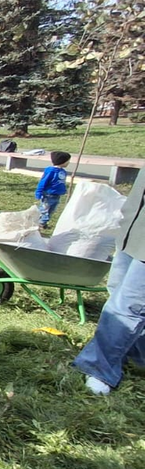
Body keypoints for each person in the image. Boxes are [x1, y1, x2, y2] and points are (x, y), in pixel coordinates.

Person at [72, 169, 145, 395]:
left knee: (128, 306)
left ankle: (99, 368)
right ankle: (136, 357)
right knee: (117, 291)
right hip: (133, 231)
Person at [35, 151, 70, 229]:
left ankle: (43, 223)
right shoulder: (51, 171)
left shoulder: (63, 171)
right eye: (67, 161)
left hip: (57, 195)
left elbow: (61, 183)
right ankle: (39, 224)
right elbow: (43, 181)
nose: (69, 162)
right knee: (44, 210)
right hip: (48, 194)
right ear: (62, 161)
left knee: (51, 210)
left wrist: (64, 190)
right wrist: (39, 192)